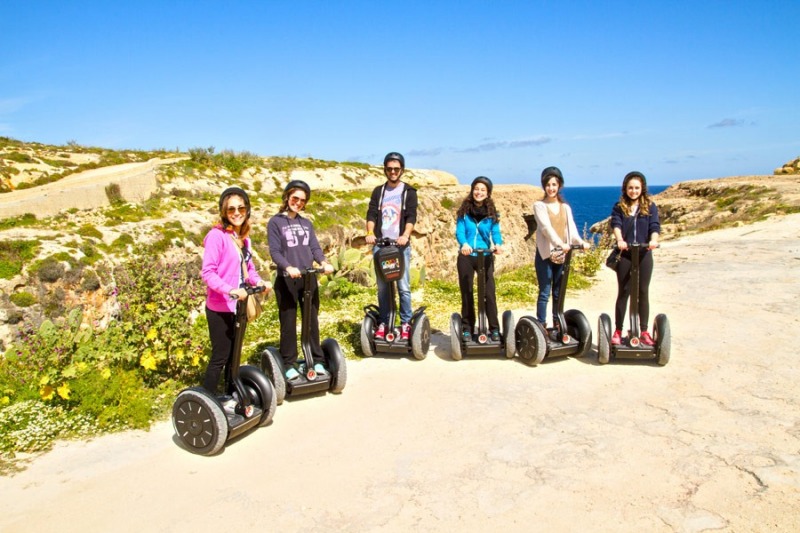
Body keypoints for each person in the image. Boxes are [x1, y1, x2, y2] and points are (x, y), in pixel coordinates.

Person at [201, 186, 271, 394]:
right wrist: (230, 290)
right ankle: (208, 399)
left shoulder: (244, 239)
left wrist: (261, 283)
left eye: (241, 207)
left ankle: (231, 395)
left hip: (238, 305)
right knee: (220, 356)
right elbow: (208, 273)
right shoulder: (217, 236)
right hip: (220, 306)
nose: (236, 212)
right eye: (231, 209)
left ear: (247, 209)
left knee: (235, 355)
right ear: (224, 212)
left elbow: (248, 270)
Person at [267, 180, 334, 381]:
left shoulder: (306, 223)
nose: (298, 202)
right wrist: (288, 267)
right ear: (287, 197)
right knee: (288, 323)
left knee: (311, 320)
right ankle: (288, 363)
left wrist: (323, 262)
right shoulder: (275, 222)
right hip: (287, 279)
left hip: (308, 279)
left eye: (302, 200)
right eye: (295, 198)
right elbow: (275, 251)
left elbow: (314, 248)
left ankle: (317, 360)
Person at [365, 152, 418, 340]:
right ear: (385, 170)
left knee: (403, 286)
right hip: (381, 245)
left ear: (402, 170)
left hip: (400, 246)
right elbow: (371, 214)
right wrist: (370, 233)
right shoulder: (379, 192)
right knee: (382, 287)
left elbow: (411, 216)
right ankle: (384, 322)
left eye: (396, 169)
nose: (393, 172)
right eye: (389, 169)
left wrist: (405, 235)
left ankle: (405, 324)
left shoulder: (409, 192)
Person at [532, 166, 590, 332]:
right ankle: (541, 324)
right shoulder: (539, 206)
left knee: (559, 291)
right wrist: (560, 244)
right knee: (545, 291)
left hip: (562, 254)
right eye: (548, 185)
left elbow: (571, 229)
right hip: (545, 254)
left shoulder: (565, 207)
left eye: (554, 184)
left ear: (559, 186)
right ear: (544, 186)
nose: (551, 188)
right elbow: (545, 228)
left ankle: (558, 323)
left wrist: (581, 242)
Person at [609, 171, 661, 346]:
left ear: (642, 189)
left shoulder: (650, 207)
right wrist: (620, 240)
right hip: (626, 254)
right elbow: (616, 225)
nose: (633, 191)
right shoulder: (619, 207)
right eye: (630, 188)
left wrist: (653, 240)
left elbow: (654, 226)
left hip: (644, 253)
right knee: (624, 291)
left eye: (637, 188)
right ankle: (618, 330)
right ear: (625, 188)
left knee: (643, 291)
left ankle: (644, 331)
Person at [455, 176, 504, 341]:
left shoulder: (492, 214)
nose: (479, 192)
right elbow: (460, 231)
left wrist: (498, 244)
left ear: (488, 193)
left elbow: (495, 232)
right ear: (472, 190)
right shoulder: (464, 212)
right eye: (477, 189)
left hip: (486, 256)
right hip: (467, 255)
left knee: (489, 293)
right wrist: (464, 244)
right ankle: (467, 328)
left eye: (483, 190)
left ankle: (494, 329)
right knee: (467, 292)